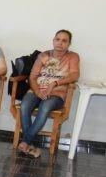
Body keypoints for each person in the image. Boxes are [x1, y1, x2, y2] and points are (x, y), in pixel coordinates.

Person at [18, 30, 80, 158]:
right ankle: (30, 146)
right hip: (38, 89)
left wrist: (56, 83)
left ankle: (25, 142)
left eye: (64, 40)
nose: (60, 43)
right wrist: (37, 91)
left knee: (45, 107)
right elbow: (33, 77)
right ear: (53, 40)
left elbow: (75, 75)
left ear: (69, 43)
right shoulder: (43, 55)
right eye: (58, 39)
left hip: (57, 93)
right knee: (24, 106)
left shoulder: (73, 56)